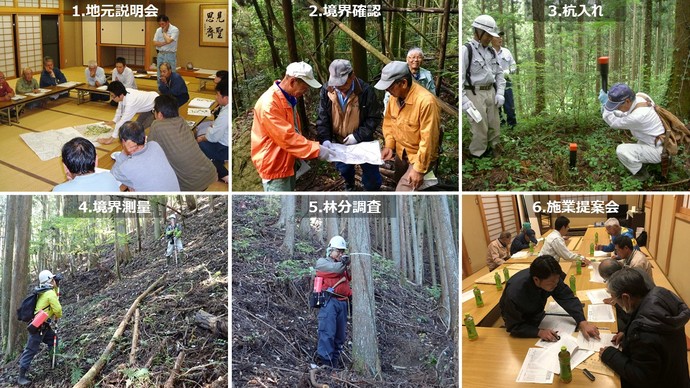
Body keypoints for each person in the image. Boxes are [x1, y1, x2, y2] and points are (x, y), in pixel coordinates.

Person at [599, 268, 690, 388]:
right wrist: (626, 334)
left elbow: (642, 377)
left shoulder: (643, 332)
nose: (615, 302)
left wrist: (610, 354)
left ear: (626, 298)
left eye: (615, 299)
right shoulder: (658, 296)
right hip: (677, 376)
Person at [251, 61, 332, 191]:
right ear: (293, 81)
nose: (305, 92)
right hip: (275, 166)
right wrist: (317, 149)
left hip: (286, 161)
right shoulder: (270, 104)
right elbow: (287, 138)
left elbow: (292, 132)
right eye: (304, 88)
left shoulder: (287, 98)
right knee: (280, 209)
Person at [499, 255, 600, 341]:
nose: (556, 285)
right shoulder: (515, 293)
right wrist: (538, 332)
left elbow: (567, 297)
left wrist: (582, 321)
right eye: (552, 283)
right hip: (518, 318)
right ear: (536, 279)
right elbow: (513, 326)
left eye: (557, 281)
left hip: (537, 313)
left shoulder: (552, 279)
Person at [316, 59, 382, 191]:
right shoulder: (326, 90)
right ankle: (350, 184)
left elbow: (374, 117)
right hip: (339, 142)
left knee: (372, 178)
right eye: (336, 84)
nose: (340, 88)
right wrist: (326, 139)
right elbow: (322, 118)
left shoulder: (365, 91)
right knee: (344, 170)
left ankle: (371, 195)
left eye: (343, 84)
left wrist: (357, 136)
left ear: (352, 76)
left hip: (363, 141)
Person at [374, 61, 440, 191]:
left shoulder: (426, 102)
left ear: (403, 83)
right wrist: (389, 145)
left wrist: (419, 169)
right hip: (401, 151)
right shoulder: (394, 97)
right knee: (398, 181)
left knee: (402, 193)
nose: (387, 91)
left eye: (390, 87)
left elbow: (428, 140)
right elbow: (388, 123)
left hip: (420, 156)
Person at [148, 95, 217, 190]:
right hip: (209, 173)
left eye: (154, 111)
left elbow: (149, 150)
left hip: (192, 185)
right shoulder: (181, 120)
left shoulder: (157, 125)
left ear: (159, 114)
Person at [599, 83, 665, 179]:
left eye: (617, 106)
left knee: (621, 150)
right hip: (657, 140)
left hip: (657, 149)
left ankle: (641, 174)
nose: (617, 108)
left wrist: (606, 109)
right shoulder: (641, 96)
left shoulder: (639, 116)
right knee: (636, 146)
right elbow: (626, 113)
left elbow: (614, 123)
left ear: (627, 101)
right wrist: (610, 103)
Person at [462, 15, 506, 158]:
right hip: (474, 93)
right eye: (487, 35)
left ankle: (495, 151)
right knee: (479, 127)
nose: (490, 38)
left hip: (490, 91)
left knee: (495, 124)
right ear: (478, 32)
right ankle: (478, 155)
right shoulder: (466, 50)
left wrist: (500, 93)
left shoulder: (492, 51)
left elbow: (499, 73)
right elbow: (461, 77)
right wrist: (464, 100)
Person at [17, 270, 63, 386]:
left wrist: (56, 285)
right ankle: (21, 376)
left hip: (43, 326)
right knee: (31, 350)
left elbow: (54, 295)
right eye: (52, 279)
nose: (54, 281)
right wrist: (58, 315)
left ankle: (54, 361)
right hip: (38, 328)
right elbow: (58, 310)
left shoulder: (44, 291)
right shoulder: (49, 293)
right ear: (49, 281)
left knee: (53, 339)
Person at [315, 235, 352, 369]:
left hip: (343, 303)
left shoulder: (343, 265)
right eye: (338, 251)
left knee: (340, 336)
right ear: (330, 250)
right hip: (329, 302)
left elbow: (350, 277)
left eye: (342, 251)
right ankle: (326, 363)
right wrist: (344, 262)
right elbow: (336, 270)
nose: (341, 254)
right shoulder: (322, 262)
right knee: (327, 333)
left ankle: (334, 363)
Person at [110, 121, 180, 191]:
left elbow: (112, 175)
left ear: (123, 141)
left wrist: (124, 152)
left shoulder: (127, 167)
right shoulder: (155, 145)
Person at [97, 81, 158, 145]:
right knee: (137, 125)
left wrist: (110, 139)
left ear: (120, 95)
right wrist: (114, 121)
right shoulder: (124, 93)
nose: (112, 98)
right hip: (149, 104)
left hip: (156, 105)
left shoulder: (131, 102)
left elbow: (123, 121)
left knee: (139, 128)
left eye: (113, 96)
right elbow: (120, 109)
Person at [53, 137, 120, 192]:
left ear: (65, 167)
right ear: (96, 160)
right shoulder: (109, 177)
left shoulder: (59, 190)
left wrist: (70, 182)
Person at [382, 47, 437, 113]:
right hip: (400, 107)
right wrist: (387, 112)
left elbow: (432, 93)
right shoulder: (399, 73)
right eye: (413, 57)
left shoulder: (427, 75)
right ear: (407, 59)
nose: (416, 60)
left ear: (422, 60)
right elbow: (390, 93)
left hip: (420, 107)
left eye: (419, 57)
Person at [197, 79, 229, 183]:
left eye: (218, 95)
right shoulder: (225, 108)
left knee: (199, 146)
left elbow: (213, 137)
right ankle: (217, 162)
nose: (216, 97)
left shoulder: (226, 113)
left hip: (224, 148)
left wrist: (201, 138)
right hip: (224, 144)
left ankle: (223, 174)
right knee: (203, 132)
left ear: (226, 97)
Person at [492, 31, 517, 127]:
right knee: (495, 107)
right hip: (492, 83)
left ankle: (512, 127)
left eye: (501, 37)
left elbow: (514, 65)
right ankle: (500, 127)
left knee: (509, 105)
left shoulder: (506, 52)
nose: (500, 39)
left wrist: (508, 71)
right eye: (497, 37)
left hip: (506, 81)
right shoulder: (488, 52)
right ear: (491, 39)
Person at [153, 15, 179, 79]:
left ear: (167, 22)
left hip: (170, 54)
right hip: (160, 54)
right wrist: (165, 43)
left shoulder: (174, 29)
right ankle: (161, 88)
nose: (161, 26)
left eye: (163, 24)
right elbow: (154, 43)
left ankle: (171, 89)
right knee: (160, 74)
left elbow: (168, 40)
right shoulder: (158, 30)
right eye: (160, 24)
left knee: (171, 74)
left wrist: (164, 32)